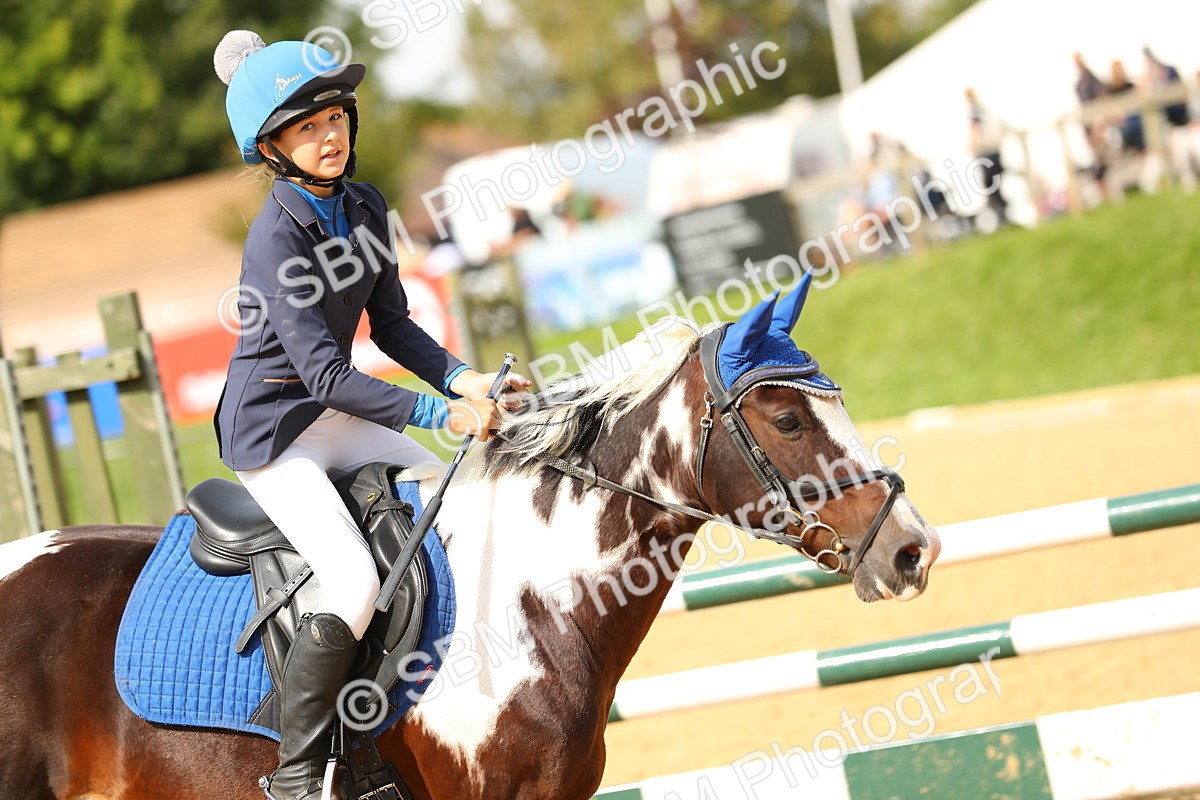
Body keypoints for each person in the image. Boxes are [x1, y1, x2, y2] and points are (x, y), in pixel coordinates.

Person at [212, 30, 529, 800]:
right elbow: (323, 374)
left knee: (454, 493)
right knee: (352, 579)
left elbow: (391, 325)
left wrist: (464, 378)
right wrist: (437, 411)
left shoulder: (364, 202)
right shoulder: (274, 238)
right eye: (305, 127)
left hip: (331, 414)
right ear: (272, 149)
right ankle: (296, 774)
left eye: (335, 118)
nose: (328, 136)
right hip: (274, 435)